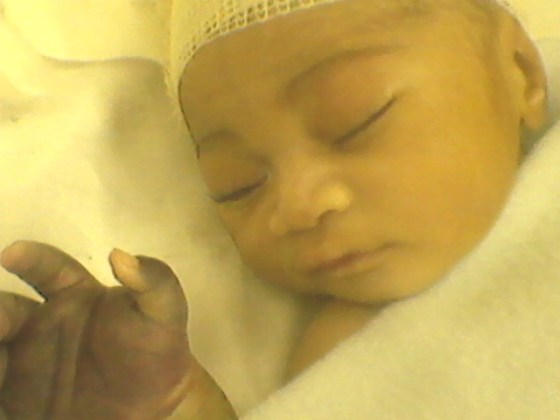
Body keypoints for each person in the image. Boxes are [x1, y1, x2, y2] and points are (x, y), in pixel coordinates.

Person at [0, 0, 557, 418]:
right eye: (238, 184)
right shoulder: (344, 349)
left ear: (522, 73)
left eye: (356, 120)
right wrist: (170, 404)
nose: (297, 205)